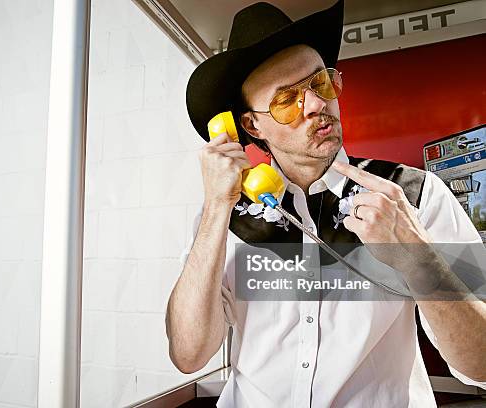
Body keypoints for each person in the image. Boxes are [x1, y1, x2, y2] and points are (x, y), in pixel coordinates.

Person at [165, 1, 486, 407]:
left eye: (320, 84)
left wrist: (420, 259)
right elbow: (188, 355)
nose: (317, 105)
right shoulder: (225, 217)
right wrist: (214, 210)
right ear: (250, 125)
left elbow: (481, 365)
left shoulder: (414, 195)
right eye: (287, 99)